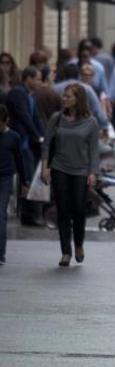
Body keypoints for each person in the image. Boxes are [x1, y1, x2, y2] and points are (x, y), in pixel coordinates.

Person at [41, 83, 99, 267]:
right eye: (64, 96)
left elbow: (94, 150)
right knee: (63, 210)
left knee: (79, 210)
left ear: (78, 99)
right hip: (60, 168)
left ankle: (79, 244)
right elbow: (47, 144)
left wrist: (93, 172)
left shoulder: (91, 122)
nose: (64, 99)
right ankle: (66, 251)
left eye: (68, 96)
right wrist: (45, 167)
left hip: (81, 170)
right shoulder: (57, 118)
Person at [8, 66, 45, 227]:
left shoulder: (31, 95)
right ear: (28, 79)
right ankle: (29, 215)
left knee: (31, 177)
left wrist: (43, 137)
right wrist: (36, 136)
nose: (40, 82)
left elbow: (36, 118)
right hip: (21, 143)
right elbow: (24, 117)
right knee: (27, 178)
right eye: (37, 79)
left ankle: (31, 214)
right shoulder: (18, 93)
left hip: (28, 143)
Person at [0, 105, 24, 265]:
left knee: (1, 214)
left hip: (5, 178)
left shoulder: (13, 137)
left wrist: (25, 180)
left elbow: (19, 159)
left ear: (6, 121)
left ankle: (0, 253)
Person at [53, 64, 109, 130]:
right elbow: (97, 111)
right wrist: (104, 126)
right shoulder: (87, 88)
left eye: (90, 75)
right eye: (85, 75)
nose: (88, 77)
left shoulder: (55, 88)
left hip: (60, 126)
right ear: (79, 75)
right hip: (81, 128)